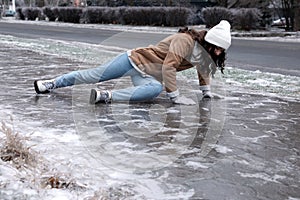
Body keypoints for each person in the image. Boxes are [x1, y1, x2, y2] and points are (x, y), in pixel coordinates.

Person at [34, 20, 231, 105]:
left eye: (221, 50)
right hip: (134, 60)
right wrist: (175, 96)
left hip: (149, 76)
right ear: (208, 39)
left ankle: (105, 96)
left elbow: (203, 69)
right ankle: (51, 83)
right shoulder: (185, 41)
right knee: (93, 75)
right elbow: (169, 66)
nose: (217, 51)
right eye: (216, 46)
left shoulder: (204, 52)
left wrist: (207, 92)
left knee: (153, 90)